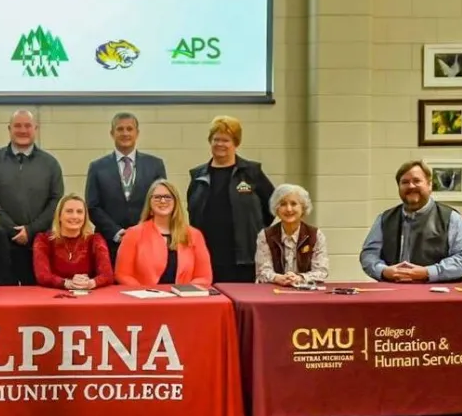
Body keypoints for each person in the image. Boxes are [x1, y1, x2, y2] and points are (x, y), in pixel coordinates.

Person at [0, 109, 64, 285]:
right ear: (9, 129)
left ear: (35, 129)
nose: (22, 130)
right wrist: (12, 229)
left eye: (27, 126)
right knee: (1, 301)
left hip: (39, 246)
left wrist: (31, 230)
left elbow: (56, 200)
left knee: (36, 302)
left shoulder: (50, 163)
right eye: (17, 126)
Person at [186, 115, 275, 283]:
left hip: (243, 259)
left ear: (236, 143)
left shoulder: (251, 172)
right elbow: (192, 211)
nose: (220, 144)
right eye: (215, 139)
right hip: (206, 257)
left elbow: (272, 205)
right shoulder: (197, 175)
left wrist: (253, 227)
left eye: (226, 140)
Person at [360, 160, 462, 283]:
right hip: (392, 294)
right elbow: (368, 254)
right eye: (405, 182)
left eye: (416, 181)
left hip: (439, 295)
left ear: (430, 185)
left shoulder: (451, 218)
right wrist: (383, 271)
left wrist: (427, 273)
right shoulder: (384, 218)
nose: (411, 186)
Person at [86, 112, 167, 267]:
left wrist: (139, 232)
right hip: (109, 244)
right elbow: (92, 206)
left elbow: (161, 204)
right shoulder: (97, 167)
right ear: (112, 133)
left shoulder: (155, 165)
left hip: (146, 241)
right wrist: (117, 233)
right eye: (120, 129)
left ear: (137, 133)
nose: (125, 133)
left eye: (129, 129)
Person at [115, 179, 212, 287]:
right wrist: (144, 293)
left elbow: (204, 277)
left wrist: (184, 292)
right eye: (157, 197)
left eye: (167, 197)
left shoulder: (194, 235)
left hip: (183, 300)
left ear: (176, 202)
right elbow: (122, 274)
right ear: (149, 203)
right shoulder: (133, 234)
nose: (162, 201)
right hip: (145, 300)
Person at [33, 194, 113, 290]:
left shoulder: (95, 240)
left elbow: (107, 275)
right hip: (52, 297)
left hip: (87, 296)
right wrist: (67, 283)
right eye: (69, 211)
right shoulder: (43, 240)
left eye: (79, 212)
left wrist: (90, 283)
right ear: (59, 216)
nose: (75, 216)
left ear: (85, 217)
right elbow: (42, 275)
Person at [254, 184, 329, 285]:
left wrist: (300, 278)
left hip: (306, 292)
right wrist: (278, 278)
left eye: (294, 204)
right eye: (283, 204)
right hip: (273, 293)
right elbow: (262, 271)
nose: (289, 209)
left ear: (303, 208)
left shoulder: (316, 235)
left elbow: (321, 271)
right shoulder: (265, 235)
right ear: (276, 208)